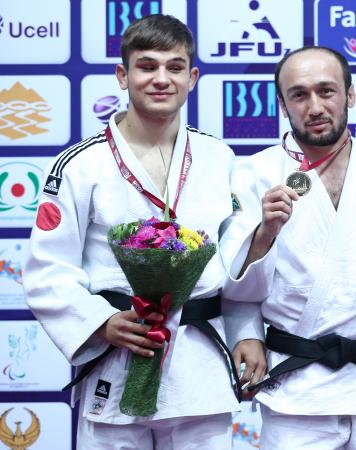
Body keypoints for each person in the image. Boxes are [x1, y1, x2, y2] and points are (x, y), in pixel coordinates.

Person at [23, 14, 249, 449]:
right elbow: (47, 268)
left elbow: (235, 267)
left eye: (175, 67)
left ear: (193, 77)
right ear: (122, 76)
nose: (161, 78)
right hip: (118, 359)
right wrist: (101, 322)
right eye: (147, 66)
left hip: (198, 370)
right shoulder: (80, 164)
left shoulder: (218, 156)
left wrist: (246, 336)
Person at [220, 46, 356, 450]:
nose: (314, 106)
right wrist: (265, 233)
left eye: (327, 91)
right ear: (282, 104)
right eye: (299, 94)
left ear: (350, 94)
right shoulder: (254, 171)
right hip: (296, 386)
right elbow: (233, 280)